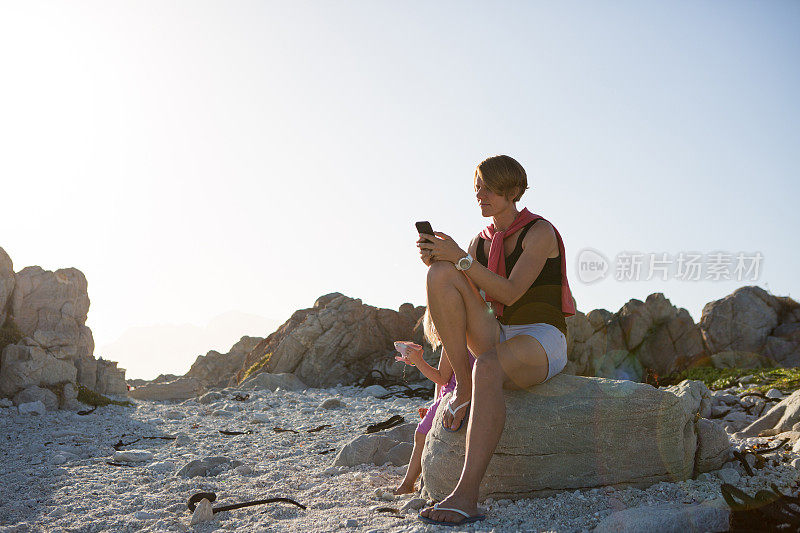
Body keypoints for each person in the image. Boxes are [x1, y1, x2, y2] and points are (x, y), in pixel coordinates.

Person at [415, 154, 576, 526]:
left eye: (487, 187)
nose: (479, 193)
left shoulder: (540, 231)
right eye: (477, 187)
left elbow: (510, 291)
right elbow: (461, 304)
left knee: (488, 365)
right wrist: (444, 261)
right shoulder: (480, 242)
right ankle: (465, 388)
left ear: (510, 188)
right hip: (497, 331)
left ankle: (466, 496)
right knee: (440, 274)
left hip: (540, 335)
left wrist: (463, 259)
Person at [392, 309, 476, 495]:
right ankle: (420, 477)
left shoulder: (452, 342)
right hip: (456, 396)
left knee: (420, 435)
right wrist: (433, 405)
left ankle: (407, 484)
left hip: (453, 396)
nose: (436, 334)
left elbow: (441, 379)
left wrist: (417, 360)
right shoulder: (477, 339)